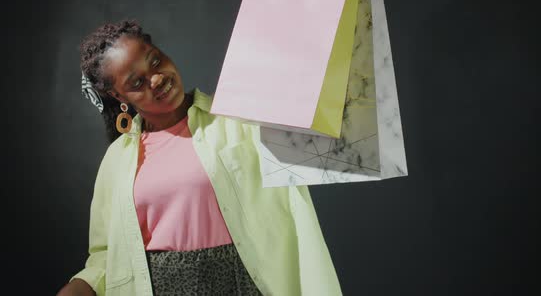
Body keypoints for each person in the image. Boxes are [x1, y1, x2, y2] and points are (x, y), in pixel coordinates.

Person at [55, 19, 342, 296]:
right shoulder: (117, 160)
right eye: (137, 82)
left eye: (155, 61)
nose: (156, 79)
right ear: (119, 95)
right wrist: (81, 286)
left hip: (245, 283)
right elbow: (107, 255)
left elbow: (321, 99)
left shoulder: (239, 117)